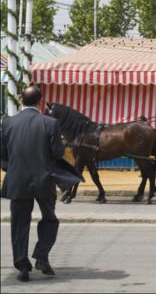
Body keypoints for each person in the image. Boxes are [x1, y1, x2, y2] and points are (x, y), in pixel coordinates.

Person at [1, 85, 82, 282]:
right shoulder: (50, 122)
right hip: (44, 180)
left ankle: (22, 266)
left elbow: (3, 154)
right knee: (50, 219)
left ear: (21, 100)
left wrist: (13, 170)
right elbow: (57, 153)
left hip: (18, 181)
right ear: (40, 101)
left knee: (19, 223)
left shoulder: (7, 123)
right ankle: (41, 257)